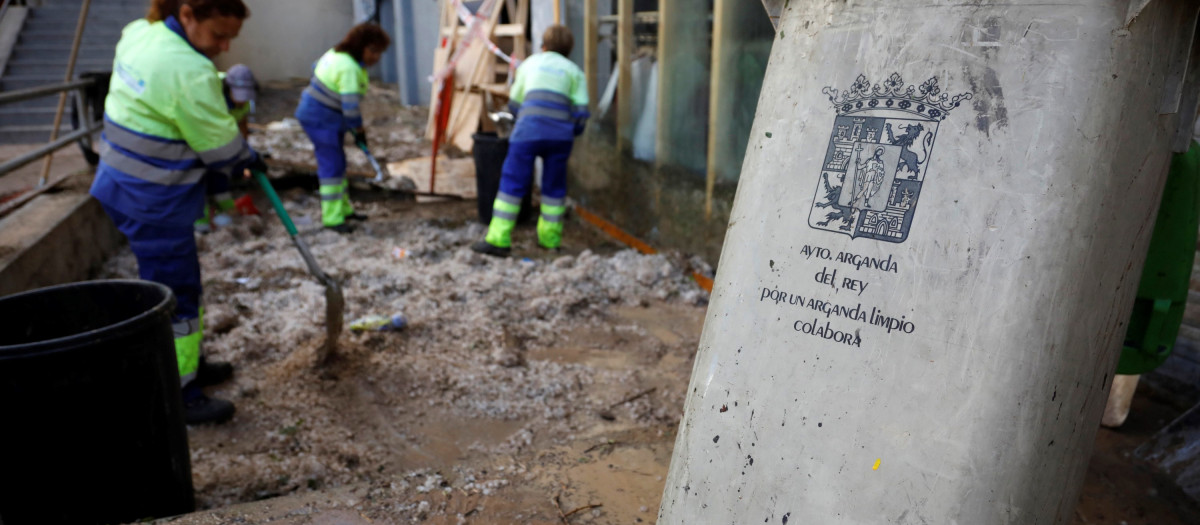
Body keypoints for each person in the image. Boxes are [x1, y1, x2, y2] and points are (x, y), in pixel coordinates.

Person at [90, 0, 265, 424]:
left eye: (230, 38)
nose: (223, 47)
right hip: (152, 196)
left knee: (180, 284)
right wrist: (248, 157)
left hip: (119, 179)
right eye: (218, 35)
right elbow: (222, 149)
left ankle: (190, 363)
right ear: (188, 14)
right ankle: (179, 388)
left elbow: (166, 100)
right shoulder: (189, 70)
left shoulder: (140, 33)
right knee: (176, 293)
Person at [471, 25, 589, 257]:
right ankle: (550, 240)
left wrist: (523, 118)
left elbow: (514, 103)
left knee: (512, 183)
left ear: (543, 46)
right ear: (569, 51)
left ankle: (499, 239)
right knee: (554, 187)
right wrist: (570, 131)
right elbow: (582, 112)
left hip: (527, 134)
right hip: (560, 138)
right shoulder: (575, 71)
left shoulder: (530, 64)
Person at [294, 23, 391, 233]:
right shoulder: (349, 68)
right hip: (320, 119)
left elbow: (315, 68)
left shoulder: (336, 55)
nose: (376, 58)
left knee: (339, 163)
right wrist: (359, 131)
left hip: (323, 115)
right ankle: (332, 219)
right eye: (373, 51)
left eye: (379, 53)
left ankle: (344, 210)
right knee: (332, 166)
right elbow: (350, 107)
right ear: (360, 46)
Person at [196, 63, 257, 233]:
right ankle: (201, 219)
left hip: (221, 141)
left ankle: (226, 211)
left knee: (221, 173)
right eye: (238, 96)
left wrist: (244, 154)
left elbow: (242, 126)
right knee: (200, 176)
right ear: (227, 89)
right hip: (201, 140)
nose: (241, 101)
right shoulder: (212, 97)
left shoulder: (244, 104)